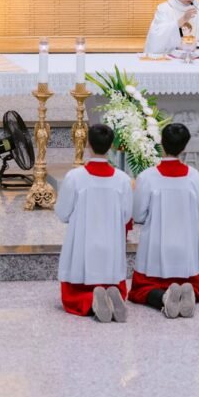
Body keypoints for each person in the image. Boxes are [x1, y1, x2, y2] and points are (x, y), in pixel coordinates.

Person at [128, 123, 199, 318]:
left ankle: (163, 297)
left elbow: (138, 215)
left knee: (141, 290)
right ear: (184, 147)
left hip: (156, 252)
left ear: (161, 143)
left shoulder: (147, 177)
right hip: (185, 253)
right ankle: (187, 293)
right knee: (189, 282)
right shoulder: (194, 177)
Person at [56, 124, 133, 323]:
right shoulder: (123, 180)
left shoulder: (75, 177)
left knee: (72, 297)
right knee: (111, 278)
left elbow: (62, 214)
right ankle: (110, 295)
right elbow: (126, 217)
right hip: (110, 250)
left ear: (88, 143)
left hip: (83, 249)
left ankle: (91, 300)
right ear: (111, 145)